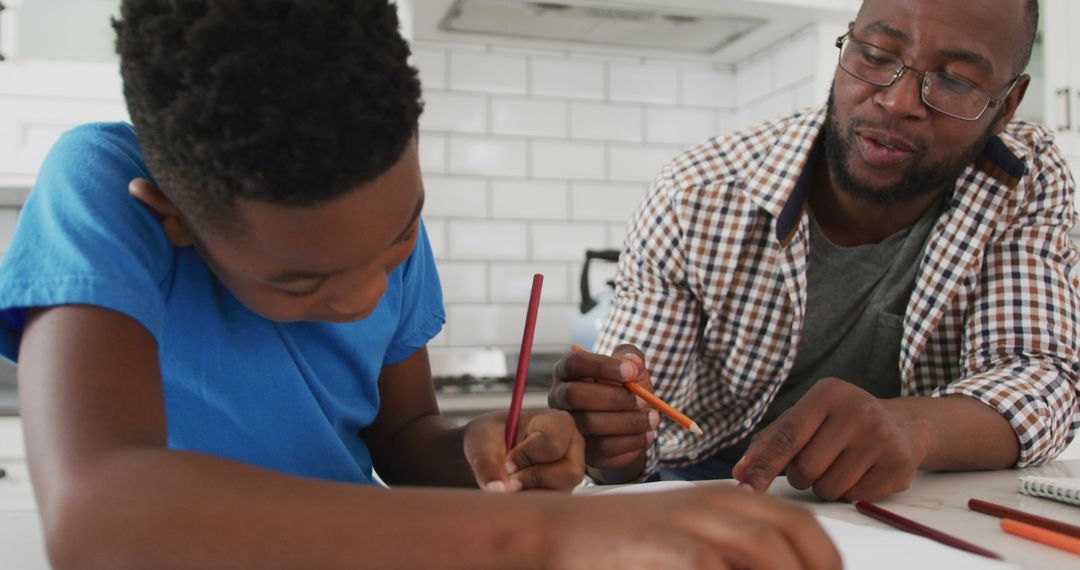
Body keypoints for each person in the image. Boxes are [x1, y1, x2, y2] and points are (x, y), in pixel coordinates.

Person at [0, 1, 842, 568]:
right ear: (176, 217)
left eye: (399, 240)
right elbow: (98, 510)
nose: (367, 295)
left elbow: (402, 435)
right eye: (303, 281)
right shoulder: (101, 187)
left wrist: (479, 454)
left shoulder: (377, 220)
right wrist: (542, 531)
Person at [551, 0, 1079, 502]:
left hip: (908, 493)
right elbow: (629, 446)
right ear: (846, 46)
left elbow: (1039, 378)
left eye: (957, 80)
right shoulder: (696, 193)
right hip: (708, 483)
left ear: (1007, 105)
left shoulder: (1023, 179)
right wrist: (610, 439)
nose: (897, 102)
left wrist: (913, 427)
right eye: (874, 56)